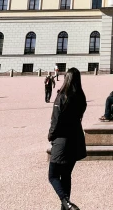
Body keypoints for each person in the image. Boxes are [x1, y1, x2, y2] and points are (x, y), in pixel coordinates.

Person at [48, 67, 87, 210]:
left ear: (67, 78)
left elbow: (56, 120)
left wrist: (51, 135)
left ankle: (67, 203)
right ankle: (65, 207)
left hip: (62, 140)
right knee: (66, 176)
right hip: (76, 139)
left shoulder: (62, 96)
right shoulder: (81, 97)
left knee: (52, 176)